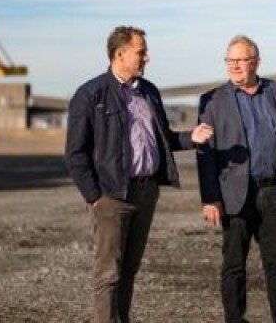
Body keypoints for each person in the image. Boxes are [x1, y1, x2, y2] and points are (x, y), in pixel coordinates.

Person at [65, 25, 213, 323]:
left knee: (130, 269)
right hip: (112, 196)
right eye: (141, 52)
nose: (147, 57)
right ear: (120, 54)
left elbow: (164, 138)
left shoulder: (148, 91)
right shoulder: (90, 94)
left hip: (146, 192)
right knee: (108, 273)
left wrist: (190, 138)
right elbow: (75, 153)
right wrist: (94, 197)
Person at [196, 35, 276, 323]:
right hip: (232, 193)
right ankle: (235, 319)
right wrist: (210, 198)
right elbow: (205, 154)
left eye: (241, 60)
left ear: (255, 62)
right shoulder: (212, 100)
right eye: (229, 61)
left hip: (271, 190)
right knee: (233, 264)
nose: (234, 66)